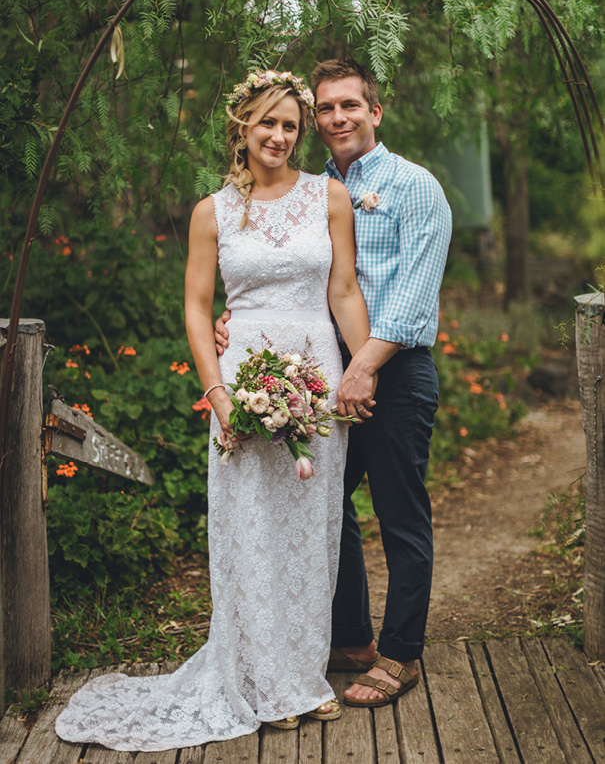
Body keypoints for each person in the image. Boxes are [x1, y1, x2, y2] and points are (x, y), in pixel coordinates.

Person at [54, 69, 370, 751]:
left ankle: (302, 677)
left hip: (316, 380)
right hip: (245, 379)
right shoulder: (214, 211)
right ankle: (256, 680)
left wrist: (363, 367)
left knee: (310, 532)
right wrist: (219, 393)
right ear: (241, 128)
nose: (280, 136)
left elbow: (342, 289)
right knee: (250, 528)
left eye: (290, 124)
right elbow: (197, 310)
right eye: (267, 122)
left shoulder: (330, 197)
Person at [216, 58, 452, 708]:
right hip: (327, 375)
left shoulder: (415, 187)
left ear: (374, 112)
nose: (338, 117)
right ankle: (350, 638)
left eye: (350, 105)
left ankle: (401, 653)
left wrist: (364, 366)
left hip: (393, 372)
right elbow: (288, 275)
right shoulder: (312, 192)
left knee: (400, 512)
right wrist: (236, 327)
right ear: (315, 121)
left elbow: (409, 300)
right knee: (326, 505)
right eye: (326, 109)